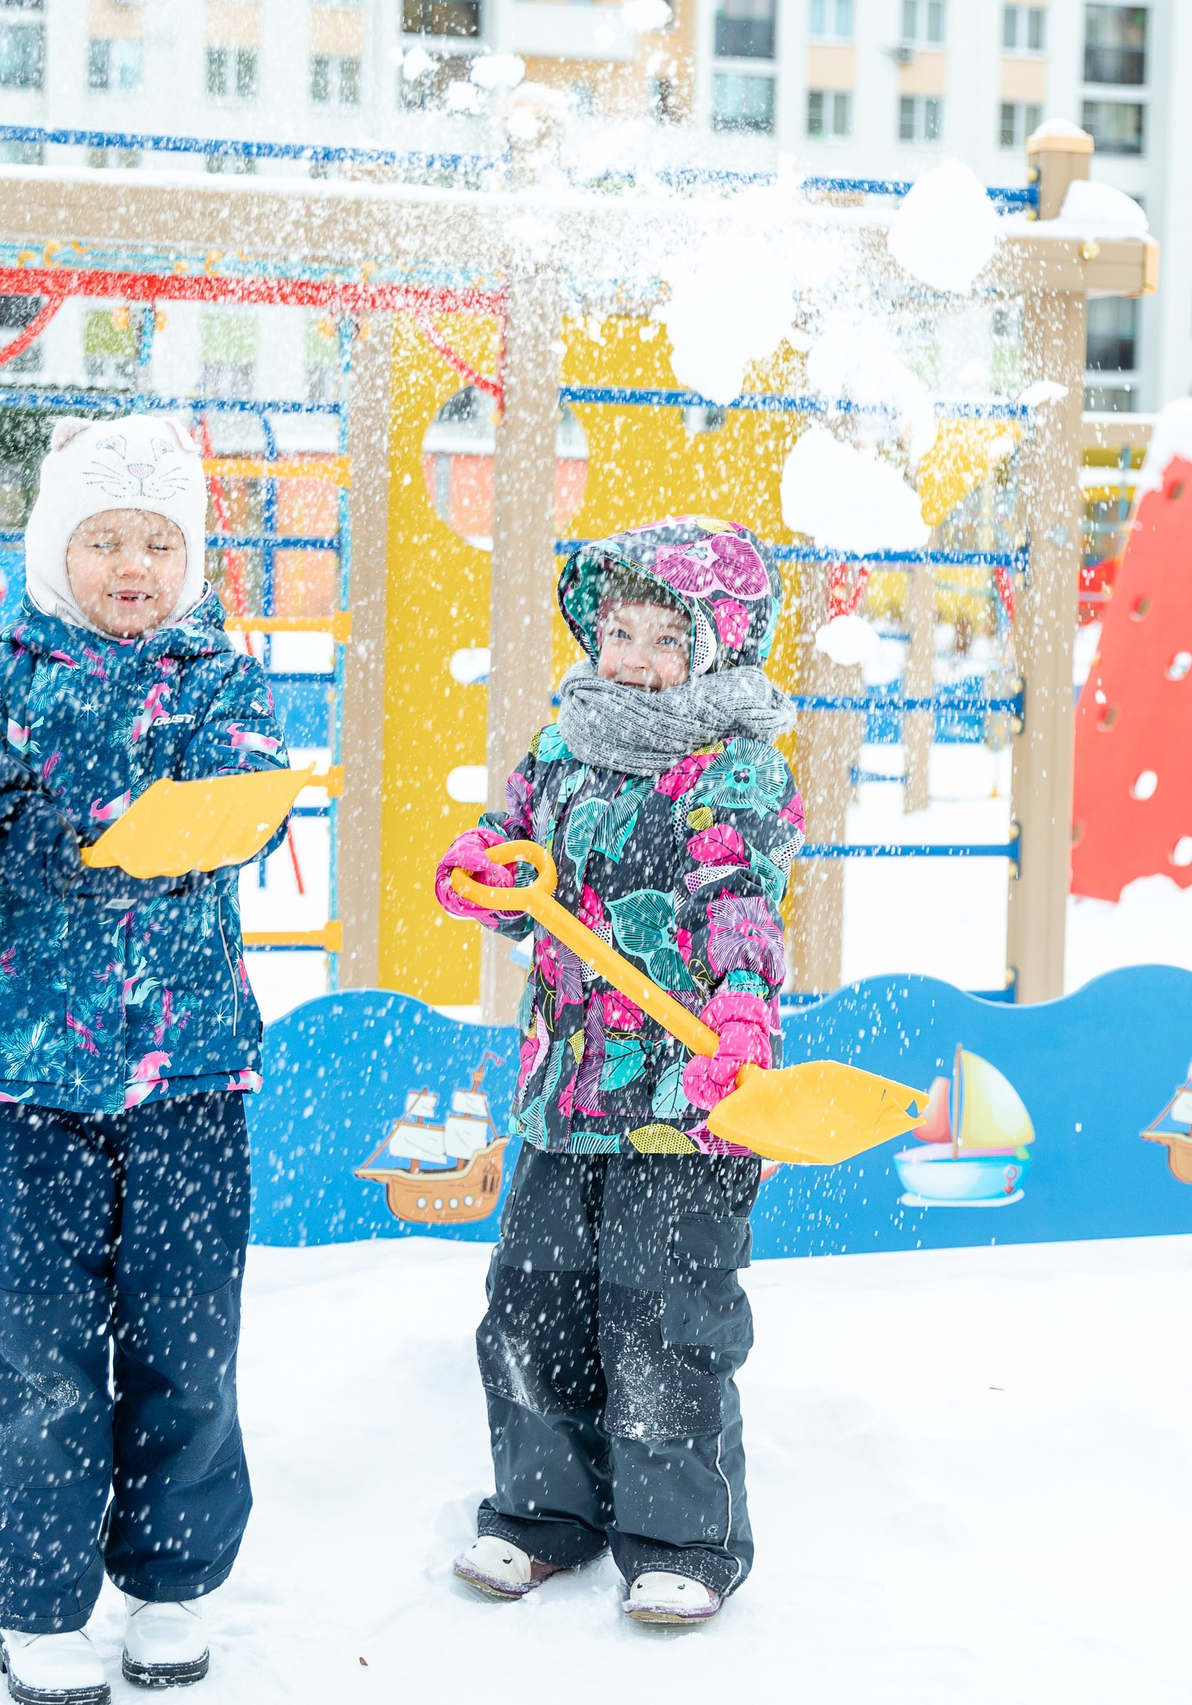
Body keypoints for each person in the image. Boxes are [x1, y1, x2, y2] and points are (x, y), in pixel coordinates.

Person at [0, 414, 288, 1704]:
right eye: (104, 538)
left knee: (187, 1337)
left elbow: (247, 795)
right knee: (39, 1348)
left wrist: (140, 826)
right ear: (58, 548)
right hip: (30, 1076)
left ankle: (171, 1585)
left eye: (160, 541)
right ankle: (37, 1602)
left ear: (191, 556)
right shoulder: (1, 671)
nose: (133, 565)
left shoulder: (220, 676)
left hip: (188, 1072)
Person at [430, 516, 802, 1628]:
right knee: (531, 1304)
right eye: (617, 631)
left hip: (687, 1103)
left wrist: (740, 1014)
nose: (633, 659)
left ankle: (682, 1535)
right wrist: (481, 872)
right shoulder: (561, 745)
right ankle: (543, 1516)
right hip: (563, 1092)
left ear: (718, 645)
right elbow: (511, 858)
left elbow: (737, 899)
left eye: (664, 638)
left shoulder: (730, 767)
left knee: (661, 1313)